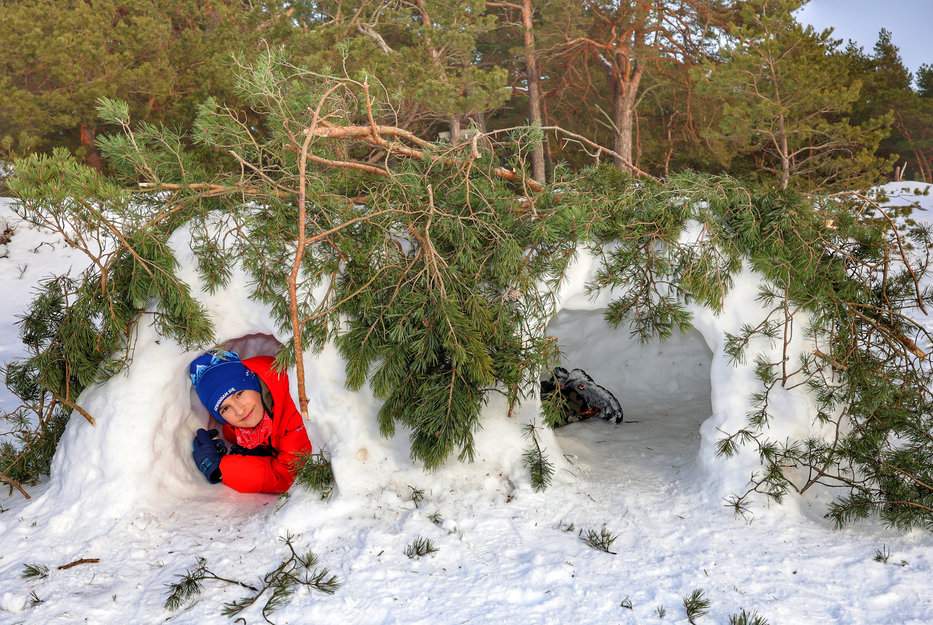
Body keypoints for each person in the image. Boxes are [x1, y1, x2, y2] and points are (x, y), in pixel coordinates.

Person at [188, 350, 312, 494]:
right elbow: (231, 433)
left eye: (239, 394)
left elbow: (287, 476)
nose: (239, 411)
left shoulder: (294, 404)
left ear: (253, 383)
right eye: (225, 408)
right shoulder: (238, 427)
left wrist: (222, 468)